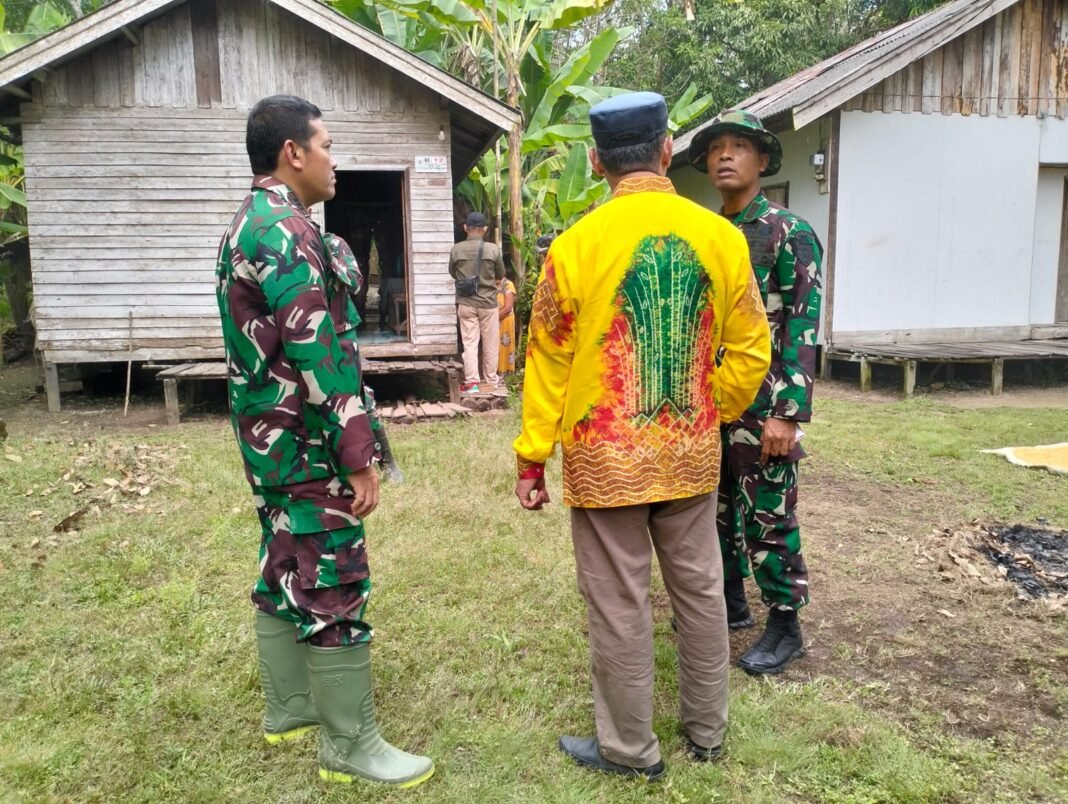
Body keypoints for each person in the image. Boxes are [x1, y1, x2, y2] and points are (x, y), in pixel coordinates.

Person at [514, 91, 771, 780]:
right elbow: (752, 350)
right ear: (666, 151)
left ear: (597, 162)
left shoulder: (574, 246)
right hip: (689, 452)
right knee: (701, 591)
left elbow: (547, 360)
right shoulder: (721, 237)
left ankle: (630, 751)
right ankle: (708, 733)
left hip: (603, 458)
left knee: (618, 602)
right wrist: (711, 408)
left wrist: (533, 455)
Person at [215, 94, 433, 788]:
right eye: (328, 146)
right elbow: (319, 352)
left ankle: (291, 707)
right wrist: (358, 452)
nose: (335, 160)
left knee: (283, 558)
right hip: (307, 441)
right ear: (293, 152)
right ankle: (349, 744)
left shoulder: (250, 222)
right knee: (334, 575)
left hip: (269, 440)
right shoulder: (284, 231)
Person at [687, 108, 824, 676]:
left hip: (764, 404)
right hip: (711, 402)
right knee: (714, 512)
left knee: (768, 513)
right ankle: (730, 604)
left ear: (763, 160)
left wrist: (787, 413)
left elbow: (803, 326)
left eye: (739, 146)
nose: (725, 155)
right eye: (716, 147)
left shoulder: (789, 232)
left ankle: (786, 624)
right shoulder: (706, 234)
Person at [450, 211, 505, 394]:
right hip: (488, 303)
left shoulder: (456, 249)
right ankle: (491, 381)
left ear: (465, 228)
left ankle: (472, 382)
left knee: (470, 343)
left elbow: (453, 273)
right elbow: (500, 274)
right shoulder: (493, 250)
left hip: (466, 303)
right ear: (485, 229)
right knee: (490, 344)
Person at [496, 274, 517, 378]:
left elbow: (508, 308)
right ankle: (494, 373)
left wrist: (493, 319)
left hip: (505, 320)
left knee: (505, 346)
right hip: (493, 320)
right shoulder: (488, 284)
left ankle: (505, 374)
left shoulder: (508, 284)